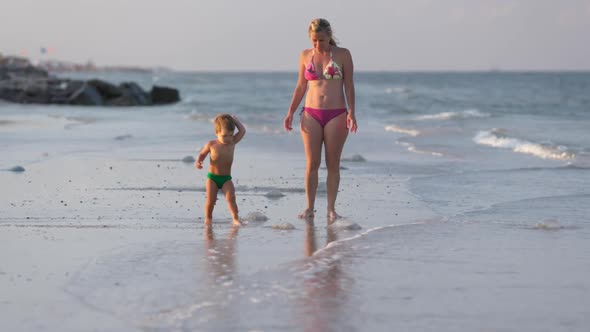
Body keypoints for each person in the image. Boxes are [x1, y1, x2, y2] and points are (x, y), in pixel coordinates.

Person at [283, 18, 357, 221]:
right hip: (310, 114)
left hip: (336, 113)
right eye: (314, 40)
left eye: (321, 40)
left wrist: (352, 111)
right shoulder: (305, 55)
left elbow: (349, 85)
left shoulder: (343, 54)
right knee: (312, 163)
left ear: (329, 36)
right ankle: (309, 208)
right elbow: (300, 86)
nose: (317, 44)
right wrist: (290, 111)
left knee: (333, 164)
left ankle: (331, 210)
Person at [196, 114, 246, 226]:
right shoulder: (211, 144)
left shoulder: (232, 142)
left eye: (230, 135)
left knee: (231, 198)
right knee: (211, 200)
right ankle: (208, 218)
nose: (228, 138)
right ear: (216, 133)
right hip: (212, 178)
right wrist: (199, 161)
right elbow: (202, 153)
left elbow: (242, 131)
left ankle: (235, 218)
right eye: (224, 136)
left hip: (226, 179)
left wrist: (236, 121)